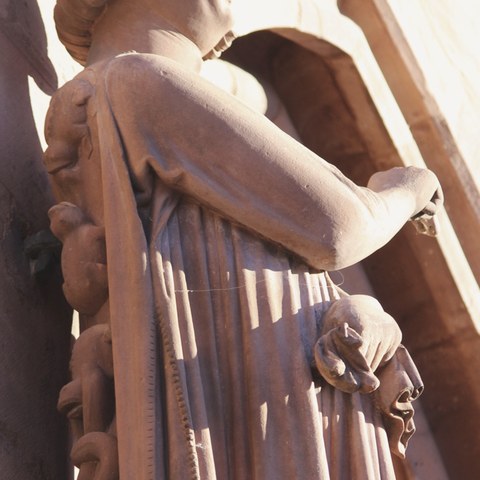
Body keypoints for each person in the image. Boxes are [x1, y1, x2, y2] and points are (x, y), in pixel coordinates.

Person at [47, 0, 442, 478]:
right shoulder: (139, 79)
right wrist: (403, 188)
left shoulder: (114, 92)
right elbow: (340, 227)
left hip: (273, 393)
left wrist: (360, 313)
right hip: (254, 407)